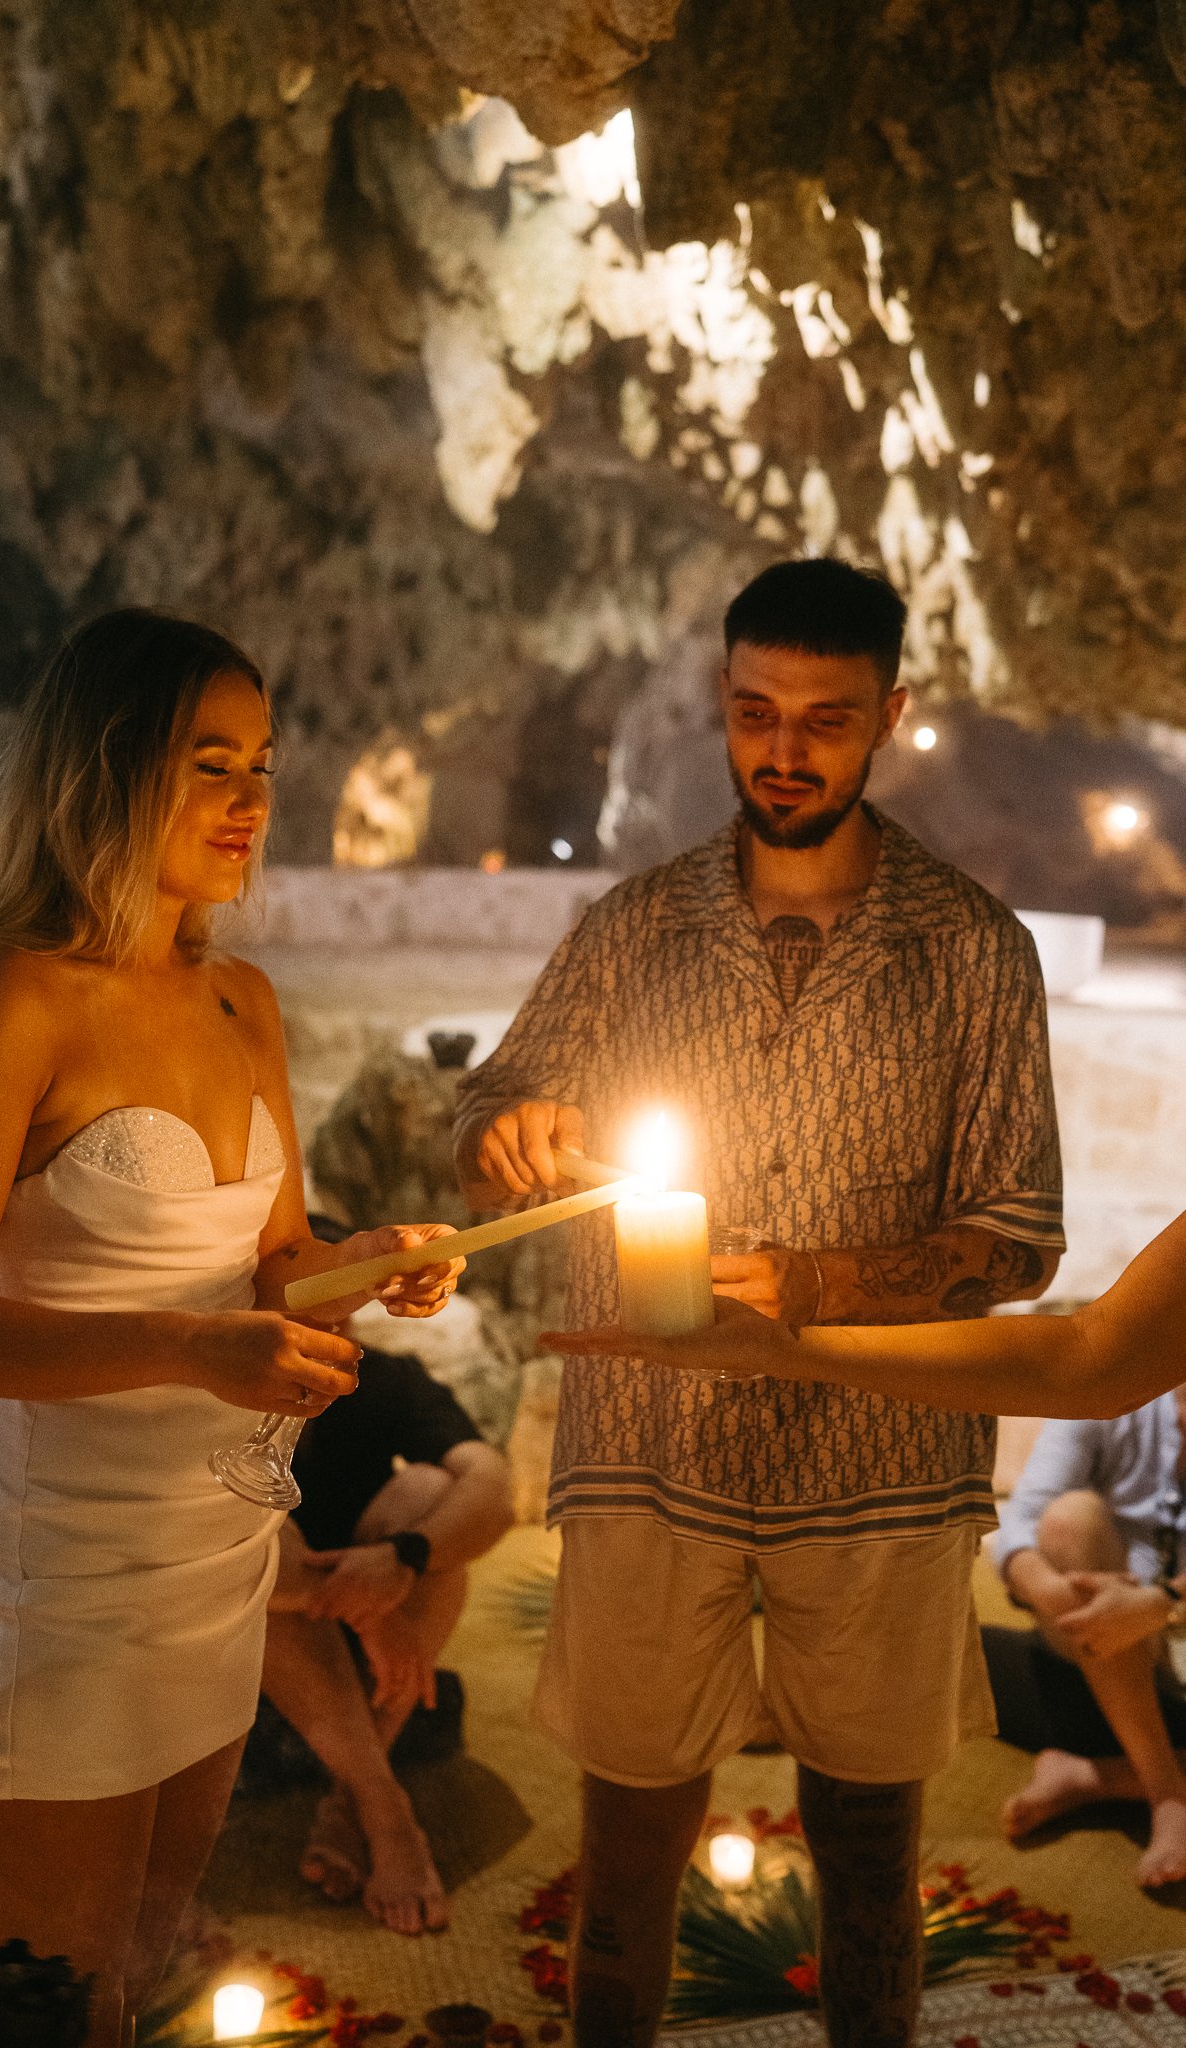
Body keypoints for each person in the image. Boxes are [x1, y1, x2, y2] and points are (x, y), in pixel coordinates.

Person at [456, 556, 1065, 2048]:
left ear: (889, 719)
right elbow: (495, 1100)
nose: (781, 754)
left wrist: (819, 1289)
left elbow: (1020, 1239)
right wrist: (505, 1131)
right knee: (626, 1855)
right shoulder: (632, 929)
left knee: (868, 1856)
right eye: (752, 713)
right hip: (653, 1446)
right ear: (719, 708)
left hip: (878, 1465)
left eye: (822, 721)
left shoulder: (975, 952)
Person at [0, 609, 462, 2048]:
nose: (254, 800)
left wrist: (359, 1265)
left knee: (143, 1967)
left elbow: (268, 1268)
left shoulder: (240, 997)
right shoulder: (7, 997)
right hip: (57, 1576)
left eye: (263, 763)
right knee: (48, 2008)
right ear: (109, 767)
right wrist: (195, 1353)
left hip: (218, 1557)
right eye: (212, 764)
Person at [258, 1312, 514, 1937]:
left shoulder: (379, 1375)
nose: (322, 1319)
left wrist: (404, 1561)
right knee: (258, 1542)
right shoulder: (224, 1382)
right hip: (253, 1618)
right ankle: (384, 1808)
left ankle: (349, 1796)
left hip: (374, 1606)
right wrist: (367, 1606)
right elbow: (236, 1540)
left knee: (431, 1492)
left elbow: (493, 1488)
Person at [979, 1392, 1186, 1887]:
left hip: (1165, 1640)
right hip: (1098, 1640)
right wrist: (1057, 1595)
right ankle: (1165, 1788)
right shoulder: (1115, 1395)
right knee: (1070, 1517)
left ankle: (1097, 1777)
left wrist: (1160, 1604)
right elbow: (1018, 1521)